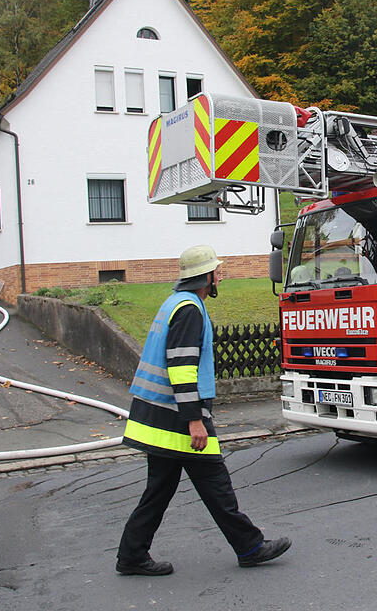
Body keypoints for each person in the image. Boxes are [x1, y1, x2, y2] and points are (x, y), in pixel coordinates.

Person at [117, 245, 291, 575]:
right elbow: (181, 367)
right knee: (215, 483)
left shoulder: (175, 303)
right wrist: (195, 420)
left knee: (160, 489)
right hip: (179, 418)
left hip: (159, 416)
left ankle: (131, 555)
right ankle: (250, 546)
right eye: (216, 273)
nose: (219, 277)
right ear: (205, 278)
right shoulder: (190, 310)